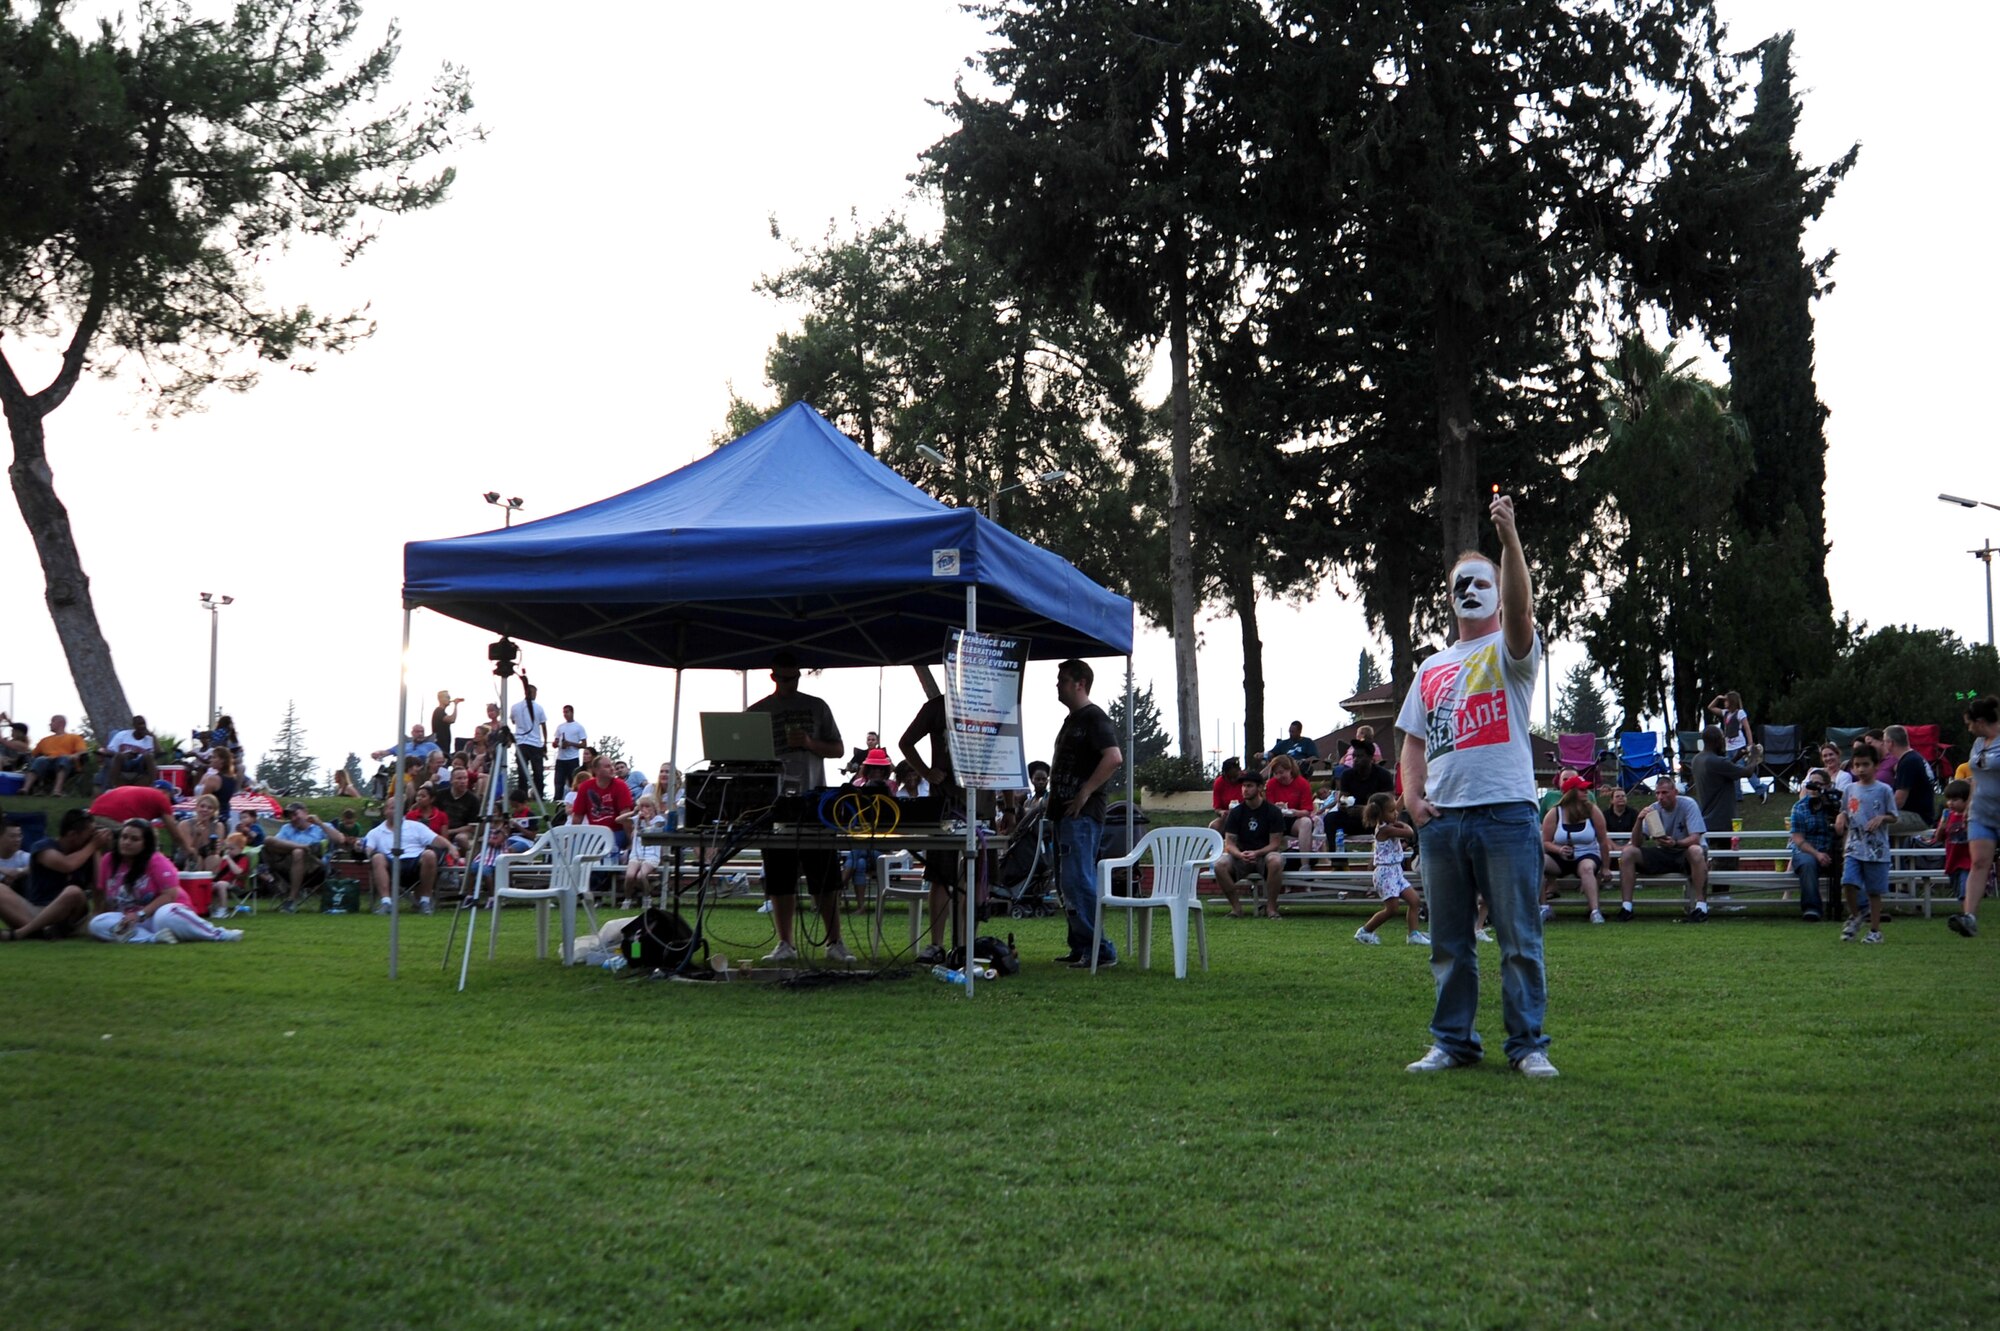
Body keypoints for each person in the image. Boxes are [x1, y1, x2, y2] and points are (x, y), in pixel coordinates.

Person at [1395, 490, 1555, 1077]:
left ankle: (1527, 1046)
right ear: (1450, 595)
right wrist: (1413, 799)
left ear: (1496, 587)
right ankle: (1453, 1042)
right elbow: (1412, 739)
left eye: (1479, 580)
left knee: (1518, 940)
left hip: (1508, 815)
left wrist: (1509, 541)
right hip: (1443, 824)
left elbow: (1521, 613)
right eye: (1460, 582)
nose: (1469, 589)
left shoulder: (1513, 650)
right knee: (1450, 945)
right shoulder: (1432, 666)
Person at [749, 652, 851, 963]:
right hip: (775, 803)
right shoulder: (758, 711)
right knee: (779, 875)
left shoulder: (817, 706)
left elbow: (838, 749)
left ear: (800, 675)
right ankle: (785, 943)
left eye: (792, 678)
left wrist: (809, 743)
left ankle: (835, 942)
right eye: (782, 678)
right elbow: (744, 756)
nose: (788, 683)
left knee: (825, 875)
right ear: (773, 676)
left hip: (813, 801)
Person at [1046, 658, 1124, 967]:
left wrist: (1085, 792)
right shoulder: (1072, 720)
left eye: (1063, 680)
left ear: (1080, 683)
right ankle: (1080, 945)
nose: (1058, 685)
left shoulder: (1094, 718)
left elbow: (1114, 757)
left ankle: (1100, 950)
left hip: (1082, 815)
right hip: (1064, 815)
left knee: (1079, 880)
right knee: (1067, 882)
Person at [89, 819, 242, 942]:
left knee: (165, 916)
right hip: (129, 918)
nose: (127, 842)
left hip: (158, 913)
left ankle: (217, 934)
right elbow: (102, 894)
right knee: (97, 923)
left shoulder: (156, 860)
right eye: (124, 837)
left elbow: (169, 895)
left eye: (134, 839)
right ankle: (151, 938)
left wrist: (140, 915)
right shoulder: (109, 861)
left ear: (145, 844)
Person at [1615, 775, 1710, 920]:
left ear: (1675, 792)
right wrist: (1639, 821)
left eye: (1665, 793)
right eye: (1658, 793)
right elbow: (1636, 843)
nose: (1660, 797)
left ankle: (1701, 908)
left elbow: (1695, 839)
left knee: (1696, 850)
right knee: (1628, 853)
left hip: (1685, 853)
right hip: (1663, 853)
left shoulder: (1688, 804)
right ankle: (1626, 908)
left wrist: (1675, 843)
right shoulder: (1653, 809)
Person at [1, 809, 96, 941]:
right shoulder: (44, 847)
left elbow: (100, 886)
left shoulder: (88, 853)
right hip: (37, 911)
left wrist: (98, 850)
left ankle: (21, 933)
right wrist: (94, 844)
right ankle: (43, 931)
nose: (93, 837)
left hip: (68, 917)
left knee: (73, 892)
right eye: (90, 834)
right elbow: (67, 865)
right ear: (73, 835)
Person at [1948, 694, 1999, 939]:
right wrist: (1968, 805)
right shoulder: (1979, 744)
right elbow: (1976, 777)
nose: (1968, 729)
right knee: (1978, 863)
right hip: (1981, 813)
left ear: (1980, 721)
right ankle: (1969, 917)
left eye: (1970, 723)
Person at [1836, 742, 1898, 944]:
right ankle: (1856, 916)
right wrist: (1841, 817)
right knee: (1848, 881)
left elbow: (1894, 816)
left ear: (1876, 765)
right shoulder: (1849, 789)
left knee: (1874, 891)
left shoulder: (1884, 790)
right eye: (1857, 765)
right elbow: (1845, 810)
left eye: (1865, 764)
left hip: (1876, 849)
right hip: (1854, 845)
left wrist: (1882, 818)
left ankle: (1875, 930)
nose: (1861, 769)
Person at [1355, 792, 1429, 946]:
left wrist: (1408, 789)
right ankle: (1365, 931)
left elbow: (1399, 805)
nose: (1396, 813)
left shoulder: (1389, 823)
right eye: (1391, 811)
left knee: (1414, 901)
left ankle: (1414, 935)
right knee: (1392, 909)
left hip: (1396, 872)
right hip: (1385, 874)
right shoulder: (1385, 830)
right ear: (1380, 814)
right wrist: (1403, 824)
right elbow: (1409, 833)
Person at [1213, 771, 1289, 919]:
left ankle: (1271, 908)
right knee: (1219, 865)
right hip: (1242, 856)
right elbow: (1229, 843)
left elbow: (1275, 844)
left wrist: (1257, 853)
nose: (1245, 790)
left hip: (1265, 854)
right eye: (1243, 786)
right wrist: (1240, 854)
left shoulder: (1272, 811)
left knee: (1276, 860)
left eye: (1249, 786)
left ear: (1260, 788)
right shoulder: (1236, 812)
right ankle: (1236, 909)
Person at [1542, 783, 1611, 923]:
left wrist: (1605, 867)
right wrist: (1559, 849)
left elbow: (1603, 841)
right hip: (1561, 857)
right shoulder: (1555, 813)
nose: (1587, 792)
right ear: (1571, 792)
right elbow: (1545, 842)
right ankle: (1543, 907)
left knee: (1586, 868)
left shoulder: (1592, 810)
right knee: (1537, 862)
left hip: (1587, 854)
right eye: (1582, 789)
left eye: (1587, 789)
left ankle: (1595, 911)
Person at [363, 811, 453, 915]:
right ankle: (386, 902)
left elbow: (435, 839)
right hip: (391, 865)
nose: (396, 810)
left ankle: (425, 901)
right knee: (377, 857)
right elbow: (367, 848)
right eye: (392, 807)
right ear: (386, 811)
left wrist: (451, 847)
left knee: (429, 855)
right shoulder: (375, 832)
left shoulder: (416, 826)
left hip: (415, 864)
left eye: (398, 807)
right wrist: (362, 848)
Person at [1691, 725, 1762, 835]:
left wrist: (1736, 758)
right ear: (1717, 741)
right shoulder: (1717, 762)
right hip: (1722, 821)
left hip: (1706, 820)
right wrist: (1754, 756)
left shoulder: (1697, 759)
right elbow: (1747, 772)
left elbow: (1720, 772)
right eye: (1722, 738)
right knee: (1728, 851)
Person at [1787, 773, 1839, 922]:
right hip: (1807, 851)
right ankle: (1812, 909)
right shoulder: (1800, 807)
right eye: (1811, 783)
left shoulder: (1834, 806)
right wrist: (1817, 854)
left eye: (1819, 784)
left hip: (1831, 850)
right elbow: (1798, 839)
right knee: (1807, 863)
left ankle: (1862, 907)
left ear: (1827, 786)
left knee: (1852, 862)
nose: (1814, 788)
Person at [265, 804, 331, 912]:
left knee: (298, 853)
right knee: (269, 840)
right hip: (288, 866)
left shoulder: (320, 827)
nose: (292, 819)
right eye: (290, 816)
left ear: (305, 812)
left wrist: (320, 823)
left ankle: (291, 899)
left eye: (295, 814)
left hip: (314, 867)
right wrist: (302, 847)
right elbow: (271, 842)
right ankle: (302, 847)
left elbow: (340, 840)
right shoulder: (286, 828)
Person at [1705, 690, 1768, 799]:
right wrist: (1718, 698)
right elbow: (1710, 707)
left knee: (1742, 769)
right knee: (1732, 771)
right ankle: (1737, 794)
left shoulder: (1740, 713)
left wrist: (1750, 744)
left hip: (1739, 745)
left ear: (1732, 702)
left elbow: (1747, 728)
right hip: (1729, 747)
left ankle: (1760, 788)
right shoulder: (1725, 713)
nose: (1724, 703)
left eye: (1726, 701)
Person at [1879, 725, 1937, 837]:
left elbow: (1899, 801)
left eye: (1884, 741)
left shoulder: (1908, 762)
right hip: (1920, 814)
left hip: (1918, 817)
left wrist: (1880, 814)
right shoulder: (1913, 758)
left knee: (1872, 824)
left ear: (1891, 743)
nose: (1883, 745)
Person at [568, 755, 635, 838]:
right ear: (596, 770)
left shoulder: (621, 786)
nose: (612, 769)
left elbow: (626, 816)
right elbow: (578, 816)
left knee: (609, 846)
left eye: (612, 765)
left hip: (616, 831)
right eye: (607, 766)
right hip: (594, 833)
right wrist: (573, 839)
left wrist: (631, 843)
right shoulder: (585, 787)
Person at [22, 714, 89, 796]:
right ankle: (25, 789)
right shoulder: (44, 740)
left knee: (63, 759)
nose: (50, 724)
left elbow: (82, 752)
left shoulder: (74, 737)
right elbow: (32, 755)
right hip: (48, 764)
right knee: (40, 760)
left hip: (69, 765)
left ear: (61, 723)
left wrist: (73, 756)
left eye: (52, 721)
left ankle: (57, 791)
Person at [624, 795, 670, 906]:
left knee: (641, 876)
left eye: (647, 806)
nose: (644, 809)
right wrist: (633, 813)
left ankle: (646, 897)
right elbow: (618, 820)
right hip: (636, 854)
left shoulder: (659, 820)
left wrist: (648, 820)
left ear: (654, 807)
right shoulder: (637, 819)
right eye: (642, 806)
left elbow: (651, 832)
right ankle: (627, 899)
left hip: (652, 855)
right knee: (630, 875)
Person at [510, 681, 550, 799]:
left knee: (522, 771)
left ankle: (522, 796)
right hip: (535, 743)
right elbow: (543, 726)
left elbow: (513, 721)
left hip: (521, 743)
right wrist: (544, 743)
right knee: (538, 772)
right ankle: (538, 796)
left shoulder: (515, 707)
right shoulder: (538, 708)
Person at [98, 715, 158, 789]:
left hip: (140, 764)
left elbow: (159, 754)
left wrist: (153, 737)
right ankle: (113, 786)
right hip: (125, 762)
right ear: (134, 726)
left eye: (144, 724)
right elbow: (110, 751)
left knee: (149, 756)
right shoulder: (122, 735)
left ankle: (153, 785)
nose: (142, 726)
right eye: (140, 724)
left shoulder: (149, 739)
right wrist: (124, 755)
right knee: (119, 756)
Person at [552, 704, 587, 800]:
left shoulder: (579, 727)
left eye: (567, 712)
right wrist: (556, 744)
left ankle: (575, 799)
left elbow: (584, 744)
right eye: (564, 712)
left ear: (572, 712)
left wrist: (570, 744)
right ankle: (557, 800)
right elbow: (555, 741)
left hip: (572, 758)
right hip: (560, 758)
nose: (565, 714)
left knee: (573, 781)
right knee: (558, 782)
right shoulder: (560, 727)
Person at [1208, 757, 1247, 833]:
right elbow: (1217, 808)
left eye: (1235, 777)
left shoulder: (1246, 779)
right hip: (1228, 815)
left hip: (1246, 813)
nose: (1233, 780)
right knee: (1214, 826)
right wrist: (1221, 812)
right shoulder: (1219, 783)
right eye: (1230, 777)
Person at [431, 689, 463, 754]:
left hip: (444, 745)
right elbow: (452, 719)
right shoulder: (438, 711)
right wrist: (456, 705)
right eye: (447, 697)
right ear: (441, 699)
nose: (449, 699)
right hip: (440, 746)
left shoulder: (442, 712)